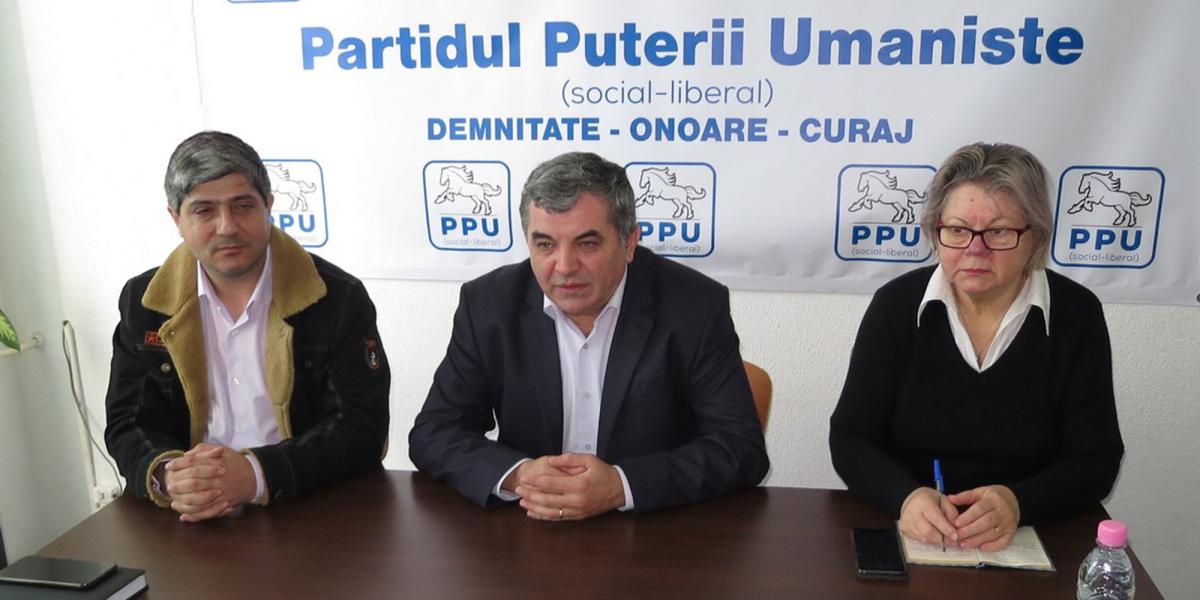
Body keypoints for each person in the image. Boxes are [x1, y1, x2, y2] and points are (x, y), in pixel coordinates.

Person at [409, 151, 769, 520]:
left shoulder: (694, 307)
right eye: (545, 244)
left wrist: (622, 485)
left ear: (629, 242)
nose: (565, 266)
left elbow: (740, 448)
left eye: (587, 244)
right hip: (527, 523)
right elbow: (434, 432)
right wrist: (520, 476)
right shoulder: (488, 304)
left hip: (652, 530)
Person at [829, 142, 1124, 551]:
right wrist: (905, 497)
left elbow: (1097, 459)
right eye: (957, 230)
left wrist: (1019, 502)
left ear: (1036, 237)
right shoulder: (896, 306)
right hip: (917, 535)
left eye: (998, 232)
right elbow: (850, 438)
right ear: (935, 231)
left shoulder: (1076, 314)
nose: (974, 249)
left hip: (1029, 538)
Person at [105, 131, 390, 522]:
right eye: (204, 210)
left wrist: (256, 474)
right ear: (176, 219)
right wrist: (170, 476)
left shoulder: (337, 297)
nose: (227, 226)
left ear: (268, 205)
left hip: (310, 506)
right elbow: (127, 423)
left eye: (243, 206)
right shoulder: (144, 302)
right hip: (189, 514)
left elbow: (361, 428)